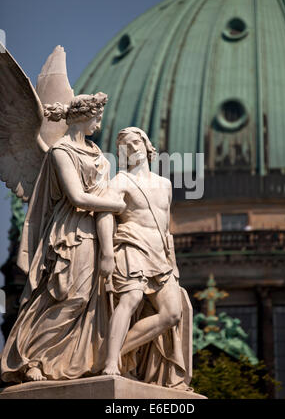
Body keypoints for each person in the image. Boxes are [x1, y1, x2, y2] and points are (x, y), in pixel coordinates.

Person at [0, 93, 125, 383]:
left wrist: (109, 246)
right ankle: (32, 357)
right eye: (97, 116)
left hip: (97, 230)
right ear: (84, 116)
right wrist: (118, 205)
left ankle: (69, 360)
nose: (100, 122)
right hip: (70, 232)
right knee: (69, 296)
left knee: (91, 300)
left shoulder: (96, 153)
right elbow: (77, 196)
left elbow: (97, 198)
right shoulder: (61, 152)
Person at [101, 127, 188, 389]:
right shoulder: (120, 181)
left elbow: (166, 228)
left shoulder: (165, 184)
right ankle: (109, 362)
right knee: (131, 298)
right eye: (126, 146)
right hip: (132, 245)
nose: (133, 148)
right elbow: (104, 214)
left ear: (147, 145)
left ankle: (116, 352)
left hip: (160, 254)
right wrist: (106, 252)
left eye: (136, 142)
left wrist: (172, 263)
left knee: (172, 313)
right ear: (122, 153)